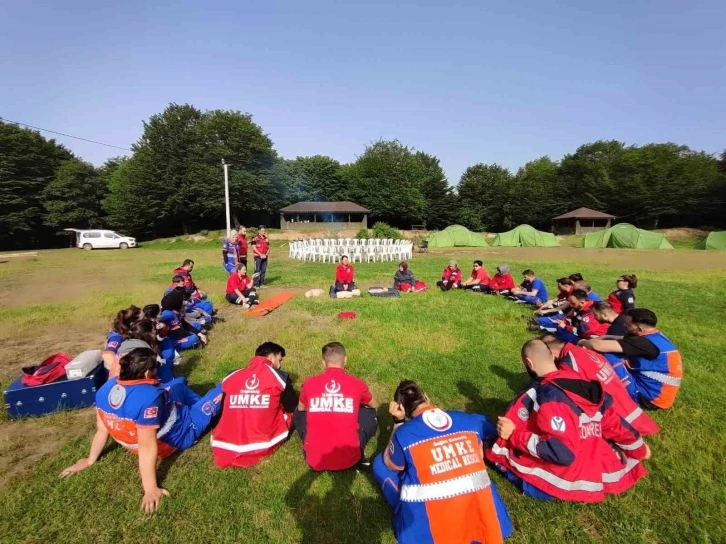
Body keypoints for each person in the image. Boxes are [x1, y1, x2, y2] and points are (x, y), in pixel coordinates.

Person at [59, 347, 224, 513]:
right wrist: (150, 488)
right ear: (146, 374)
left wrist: (90, 459)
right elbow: (147, 446)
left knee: (178, 386)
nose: (158, 371)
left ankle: (198, 405)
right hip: (179, 434)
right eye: (156, 368)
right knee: (223, 388)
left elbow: (102, 429)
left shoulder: (104, 389)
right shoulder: (150, 399)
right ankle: (203, 411)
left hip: (158, 423)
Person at [486, 339, 650, 502]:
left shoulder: (549, 396)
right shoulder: (585, 383)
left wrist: (514, 434)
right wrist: (640, 450)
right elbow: (616, 425)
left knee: (494, 446)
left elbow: (562, 452)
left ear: (529, 363)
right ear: (553, 356)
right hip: (595, 466)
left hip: (567, 481)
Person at [373, 380, 513, 543]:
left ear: (401, 408)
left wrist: (398, 423)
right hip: (485, 519)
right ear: (426, 397)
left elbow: (391, 464)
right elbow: (492, 429)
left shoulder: (404, 434)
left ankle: (402, 510)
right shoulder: (467, 419)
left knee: (380, 464)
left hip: (433, 530)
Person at [541, 334, 659, 436]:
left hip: (622, 426)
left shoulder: (568, 365)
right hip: (637, 417)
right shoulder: (585, 351)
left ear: (550, 354)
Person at [211, 342, 298, 468]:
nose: (279, 365)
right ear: (272, 357)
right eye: (280, 360)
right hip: (261, 444)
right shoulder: (279, 378)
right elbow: (292, 406)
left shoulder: (232, 375)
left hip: (223, 443)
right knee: (297, 412)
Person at [294, 342, 378, 471]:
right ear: (345, 360)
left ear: (323, 362)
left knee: (298, 412)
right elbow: (373, 404)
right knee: (370, 411)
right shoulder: (357, 384)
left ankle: (310, 441)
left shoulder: (309, 383)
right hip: (349, 459)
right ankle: (358, 447)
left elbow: (301, 408)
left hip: (314, 459)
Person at [579, 308, 682, 410]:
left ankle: (594, 388)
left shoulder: (642, 343)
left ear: (639, 329)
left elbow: (596, 346)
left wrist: (582, 341)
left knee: (609, 354)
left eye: (628, 325)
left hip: (647, 399)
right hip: (660, 396)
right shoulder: (655, 336)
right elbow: (625, 340)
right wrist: (606, 336)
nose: (624, 326)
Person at [115, 319, 177, 384]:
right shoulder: (143, 349)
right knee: (165, 367)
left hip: (120, 379)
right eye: (154, 331)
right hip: (137, 380)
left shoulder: (126, 343)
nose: (155, 333)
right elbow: (149, 370)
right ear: (148, 334)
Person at [102, 306, 142, 374]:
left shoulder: (127, 332)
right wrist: (122, 370)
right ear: (133, 323)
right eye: (143, 319)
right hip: (116, 376)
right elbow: (107, 354)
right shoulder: (116, 337)